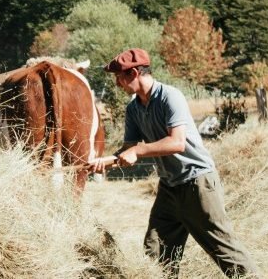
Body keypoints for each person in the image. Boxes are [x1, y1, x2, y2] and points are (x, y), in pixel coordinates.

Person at [91, 48, 259, 278]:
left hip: (197, 183)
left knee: (225, 251)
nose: (117, 83)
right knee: (157, 252)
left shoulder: (170, 96)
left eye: (118, 77)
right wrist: (105, 161)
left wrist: (139, 150)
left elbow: (177, 142)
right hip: (169, 188)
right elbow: (129, 150)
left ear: (133, 73)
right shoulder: (133, 109)